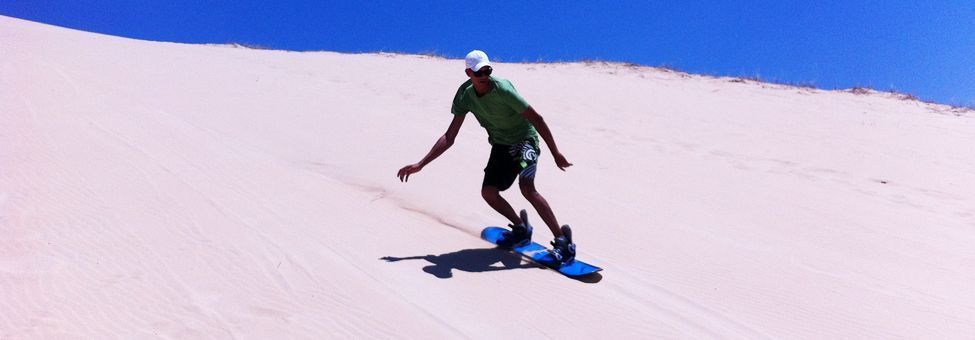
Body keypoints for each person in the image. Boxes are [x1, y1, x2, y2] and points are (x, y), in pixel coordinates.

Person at [397, 50, 577, 263]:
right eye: (479, 72)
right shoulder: (465, 96)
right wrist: (421, 164)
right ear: (468, 74)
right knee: (489, 192)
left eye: (487, 70)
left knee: (527, 188)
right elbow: (450, 136)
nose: (484, 76)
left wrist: (555, 153)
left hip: (524, 139)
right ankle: (521, 228)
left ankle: (563, 242)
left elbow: (537, 119)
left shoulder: (503, 90)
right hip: (501, 144)